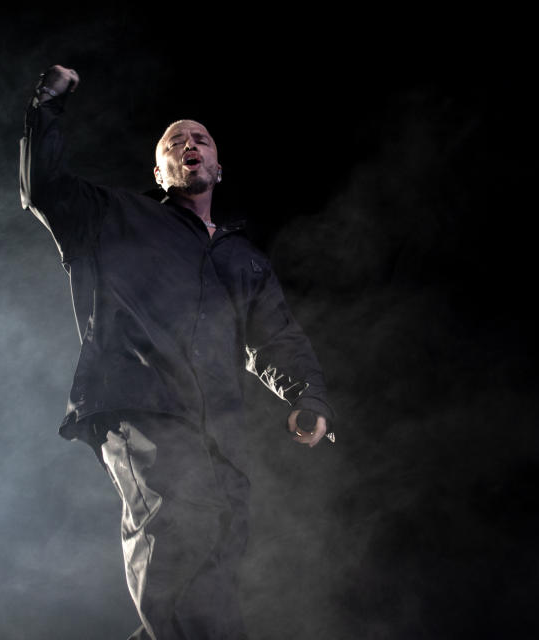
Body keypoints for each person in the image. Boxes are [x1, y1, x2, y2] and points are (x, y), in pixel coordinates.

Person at [19, 64, 335, 640]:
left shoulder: (244, 260)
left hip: (218, 424)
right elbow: (44, 187)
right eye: (174, 141)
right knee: (179, 531)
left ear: (218, 167)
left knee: (217, 550)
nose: (189, 144)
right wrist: (47, 106)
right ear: (159, 170)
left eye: (201, 139)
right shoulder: (111, 218)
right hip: (140, 403)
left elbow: (276, 338)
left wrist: (306, 395)